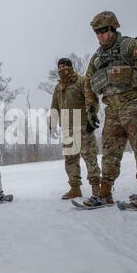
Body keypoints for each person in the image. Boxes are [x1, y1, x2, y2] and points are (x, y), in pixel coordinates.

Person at [83, 11, 137, 207]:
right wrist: (91, 108)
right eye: (97, 32)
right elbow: (89, 84)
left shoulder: (130, 46)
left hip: (134, 104)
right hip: (112, 110)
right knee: (110, 150)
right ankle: (104, 193)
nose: (100, 36)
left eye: (104, 31)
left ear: (113, 29)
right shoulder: (98, 57)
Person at [50, 58, 101, 200]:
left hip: (83, 126)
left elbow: (92, 101)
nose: (61, 69)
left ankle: (96, 188)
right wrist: (53, 123)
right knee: (70, 160)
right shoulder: (58, 87)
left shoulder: (82, 81)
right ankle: (75, 188)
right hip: (67, 128)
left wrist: (92, 118)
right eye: (59, 67)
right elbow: (54, 106)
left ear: (71, 67)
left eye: (64, 66)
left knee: (90, 157)